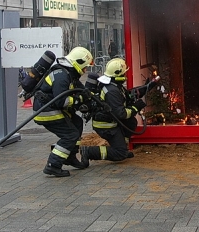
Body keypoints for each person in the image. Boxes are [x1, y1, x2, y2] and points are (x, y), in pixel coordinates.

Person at [33, 47, 94, 178]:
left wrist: (90, 98)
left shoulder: (69, 73)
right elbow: (62, 101)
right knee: (70, 135)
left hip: (52, 109)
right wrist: (80, 100)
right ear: (77, 63)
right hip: (47, 111)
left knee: (77, 122)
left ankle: (70, 156)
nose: (85, 71)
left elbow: (81, 90)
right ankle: (53, 165)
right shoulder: (62, 75)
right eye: (84, 67)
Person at [81, 58, 144, 166]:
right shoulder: (112, 91)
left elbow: (127, 96)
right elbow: (121, 114)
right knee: (120, 154)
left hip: (112, 121)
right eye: (124, 72)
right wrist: (135, 108)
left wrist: (147, 87)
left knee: (131, 122)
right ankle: (89, 152)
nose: (125, 74)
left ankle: (122, 146)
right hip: (107, 126)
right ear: (118, 74)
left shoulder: (114, 85)